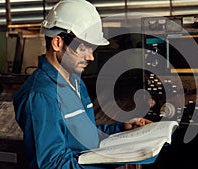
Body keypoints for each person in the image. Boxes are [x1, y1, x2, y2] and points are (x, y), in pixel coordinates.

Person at [13, 0, 152, 168]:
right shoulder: (40, 96)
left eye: (92, 49)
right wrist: (107, 163)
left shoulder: (75, 81)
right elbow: (52, 165)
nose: (91, 57)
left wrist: (121, 128)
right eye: (83, 48)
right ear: (57, 43)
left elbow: (86, 138)